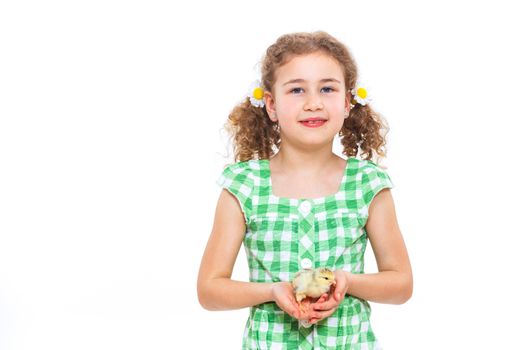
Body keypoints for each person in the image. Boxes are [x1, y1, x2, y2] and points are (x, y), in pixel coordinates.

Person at [197, 31, 412, 349]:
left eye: (327, 88)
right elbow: (209, 290)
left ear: (347, 102)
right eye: (297, 89)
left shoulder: (367, 184)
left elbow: (401, 284)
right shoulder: (244, 186)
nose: (313, 103)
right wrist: (272, 291)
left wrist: (347, 282)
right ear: (271, 104)